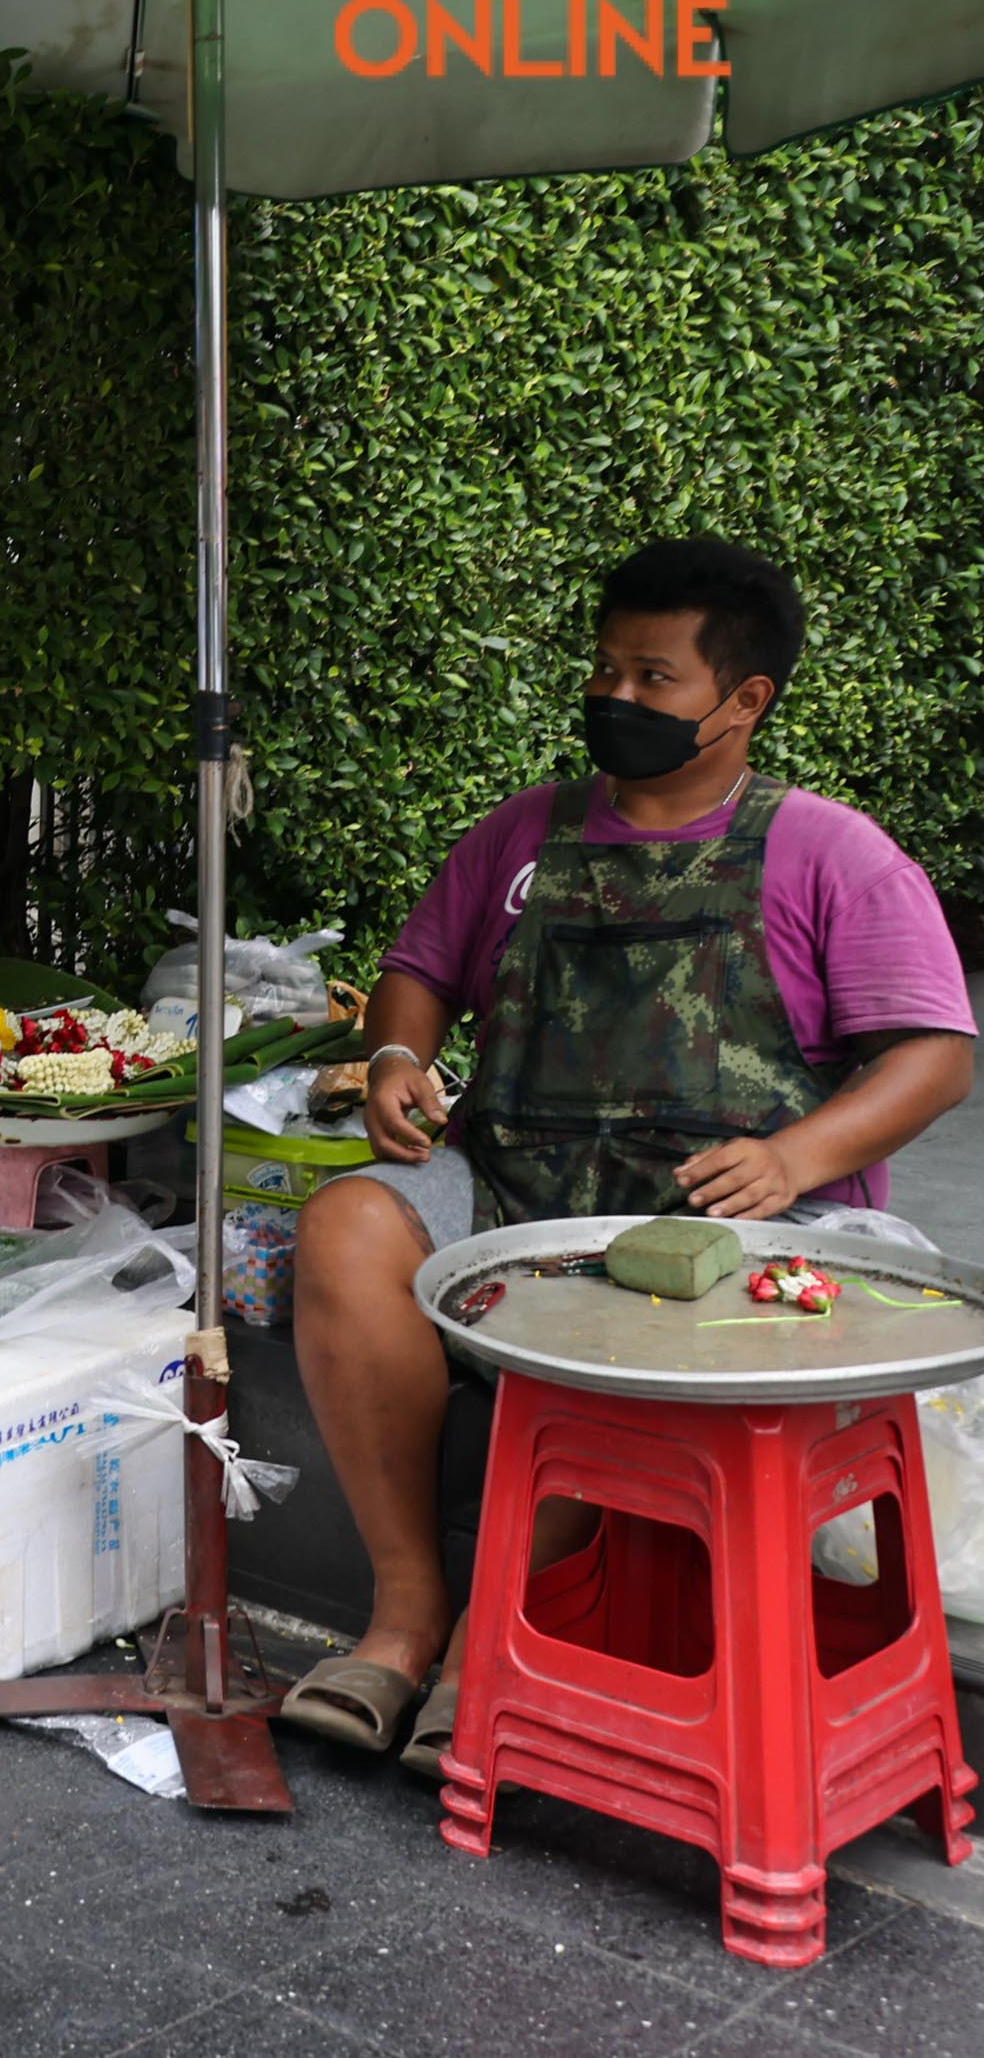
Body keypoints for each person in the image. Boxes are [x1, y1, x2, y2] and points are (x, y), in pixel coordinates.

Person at [277, 536, 975, 1771]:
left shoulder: (831, 855)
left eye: (656, 677)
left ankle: (502, 1645)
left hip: (726, 1228)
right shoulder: (522, 836)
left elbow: (935, 1053)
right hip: (512, 1195)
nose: (617, 699)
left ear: (745, 699)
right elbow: (418, 974)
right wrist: (395, 1061)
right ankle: (403, 1619)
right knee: (345, 1222)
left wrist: (799, 1157)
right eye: (606, 669)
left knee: (629, 1326)